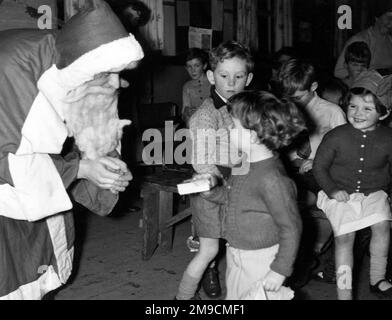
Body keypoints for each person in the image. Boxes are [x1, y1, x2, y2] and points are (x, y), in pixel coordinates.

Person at [0, 0, 144, 299]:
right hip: (8, 183)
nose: (117, 82)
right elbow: (10, 162)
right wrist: (80, 169)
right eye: (110, 73)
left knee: (41, 260)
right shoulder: (13, 71)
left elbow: (98, 131)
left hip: (39, 178)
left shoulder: (91, 69)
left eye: (120, 72)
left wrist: (105, 166)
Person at [195, 91, 305, 299]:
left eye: (233, 126)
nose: (228, 130)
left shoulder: (272, 179)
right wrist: (211, 193)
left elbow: (291, 227)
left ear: (253, 135)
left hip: (262, 259)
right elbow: (234, 198)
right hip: (237, 252)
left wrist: (280, 269)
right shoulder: (244, 163)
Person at [175, 41, 254, 300]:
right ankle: (182, 299)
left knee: (237, 247)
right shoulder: (205, 116)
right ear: (211, 76)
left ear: (249, 78)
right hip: (211, 189)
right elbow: (202, 164)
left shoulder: (247, 110)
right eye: (223, 76)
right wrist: (220, 188)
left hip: (238, 185)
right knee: (208, 250)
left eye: (238, 76)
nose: (231, 82)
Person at [313, 70, 392, 300]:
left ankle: (377, 278)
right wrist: (332, 189)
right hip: (338, 191)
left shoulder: (388, 138)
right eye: (353, 106)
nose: (358, 113)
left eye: (367, 108)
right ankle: (344, 292)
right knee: (345, 238)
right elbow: (319, 167)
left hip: (374, 191)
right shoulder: (336, 136)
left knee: (383, 225)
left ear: (384, 113)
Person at [334, 6, 392, 80]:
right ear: (377, 17)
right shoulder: (360, 39)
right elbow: (339, 72)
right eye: (389, 18)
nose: (391, 23)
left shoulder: (390, 40)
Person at [182, 48, 211, 127]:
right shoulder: (187, 86)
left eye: (196, 66)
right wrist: (186, 112)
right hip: (196, 125)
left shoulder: (213, 81)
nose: (193, 70)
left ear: (204, 66)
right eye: (189, 67)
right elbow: (184, 113)